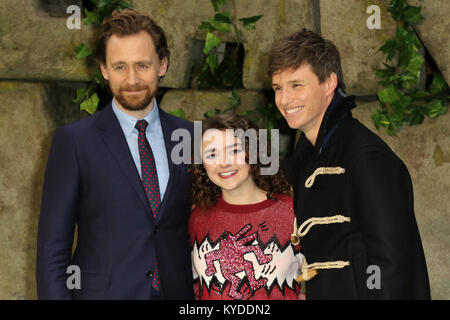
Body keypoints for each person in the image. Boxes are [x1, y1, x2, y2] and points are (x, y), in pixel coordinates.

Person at [36, 9, 194, 299]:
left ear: (162, 64)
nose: (132, 79)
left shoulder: (192, 138)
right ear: (104, 69)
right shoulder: (73, 142)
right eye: (120, 67)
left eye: (142, 66)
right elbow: (52, 252)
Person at [268, 29, 431, 299]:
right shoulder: (308, 156)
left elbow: (391, 266)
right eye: (278, 88)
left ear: (329, 83)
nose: (284, 100)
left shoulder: (366, 157)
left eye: (297, 85)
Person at [189, 112, 305, 300]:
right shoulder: (197, 218)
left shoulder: (293, 212)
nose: (224, 163)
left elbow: (326, 277)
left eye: (234, 150)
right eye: (212, 154)